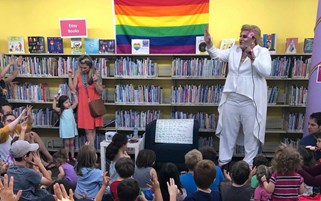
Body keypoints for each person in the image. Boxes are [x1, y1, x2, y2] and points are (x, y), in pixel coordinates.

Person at [204, 24, 272, 167]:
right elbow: (216, 54)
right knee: (226, 134)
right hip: (231, 99)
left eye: (244, 36)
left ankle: (247, 167)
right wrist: (209, 43)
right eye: (240, 35)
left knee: (251, 136)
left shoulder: (262, 52)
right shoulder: (233, 50)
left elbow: (266, 71)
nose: (240, 38)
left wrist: (253, 57)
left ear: (253, 39)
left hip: (250, 101)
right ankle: (223, 165)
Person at [68, 55, 103, 145]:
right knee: (88, 130)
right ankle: (92, 153)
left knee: (92, 129)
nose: (83, 69)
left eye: (85, 68)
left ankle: (91, 152)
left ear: (90, 66)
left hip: (94, 104)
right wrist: (69, 76)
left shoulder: (96, 73)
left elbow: (100, 91)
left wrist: (95, 82)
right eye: (81, 67)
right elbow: (73, 89)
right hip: (83, 105)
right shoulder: (77, 74)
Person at [52, 91, 78, 161]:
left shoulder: (71, 109)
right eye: (66, 102)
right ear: (62, 104)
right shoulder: (61, 110)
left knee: (72, 143)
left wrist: (75, 94)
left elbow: (76, 102)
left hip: (71, 129)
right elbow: (54, 107)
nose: (68, 103)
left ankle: (72, 156)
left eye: (69, 102)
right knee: (66, 144)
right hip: (65, 129)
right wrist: (55, 99)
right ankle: (67, 157)